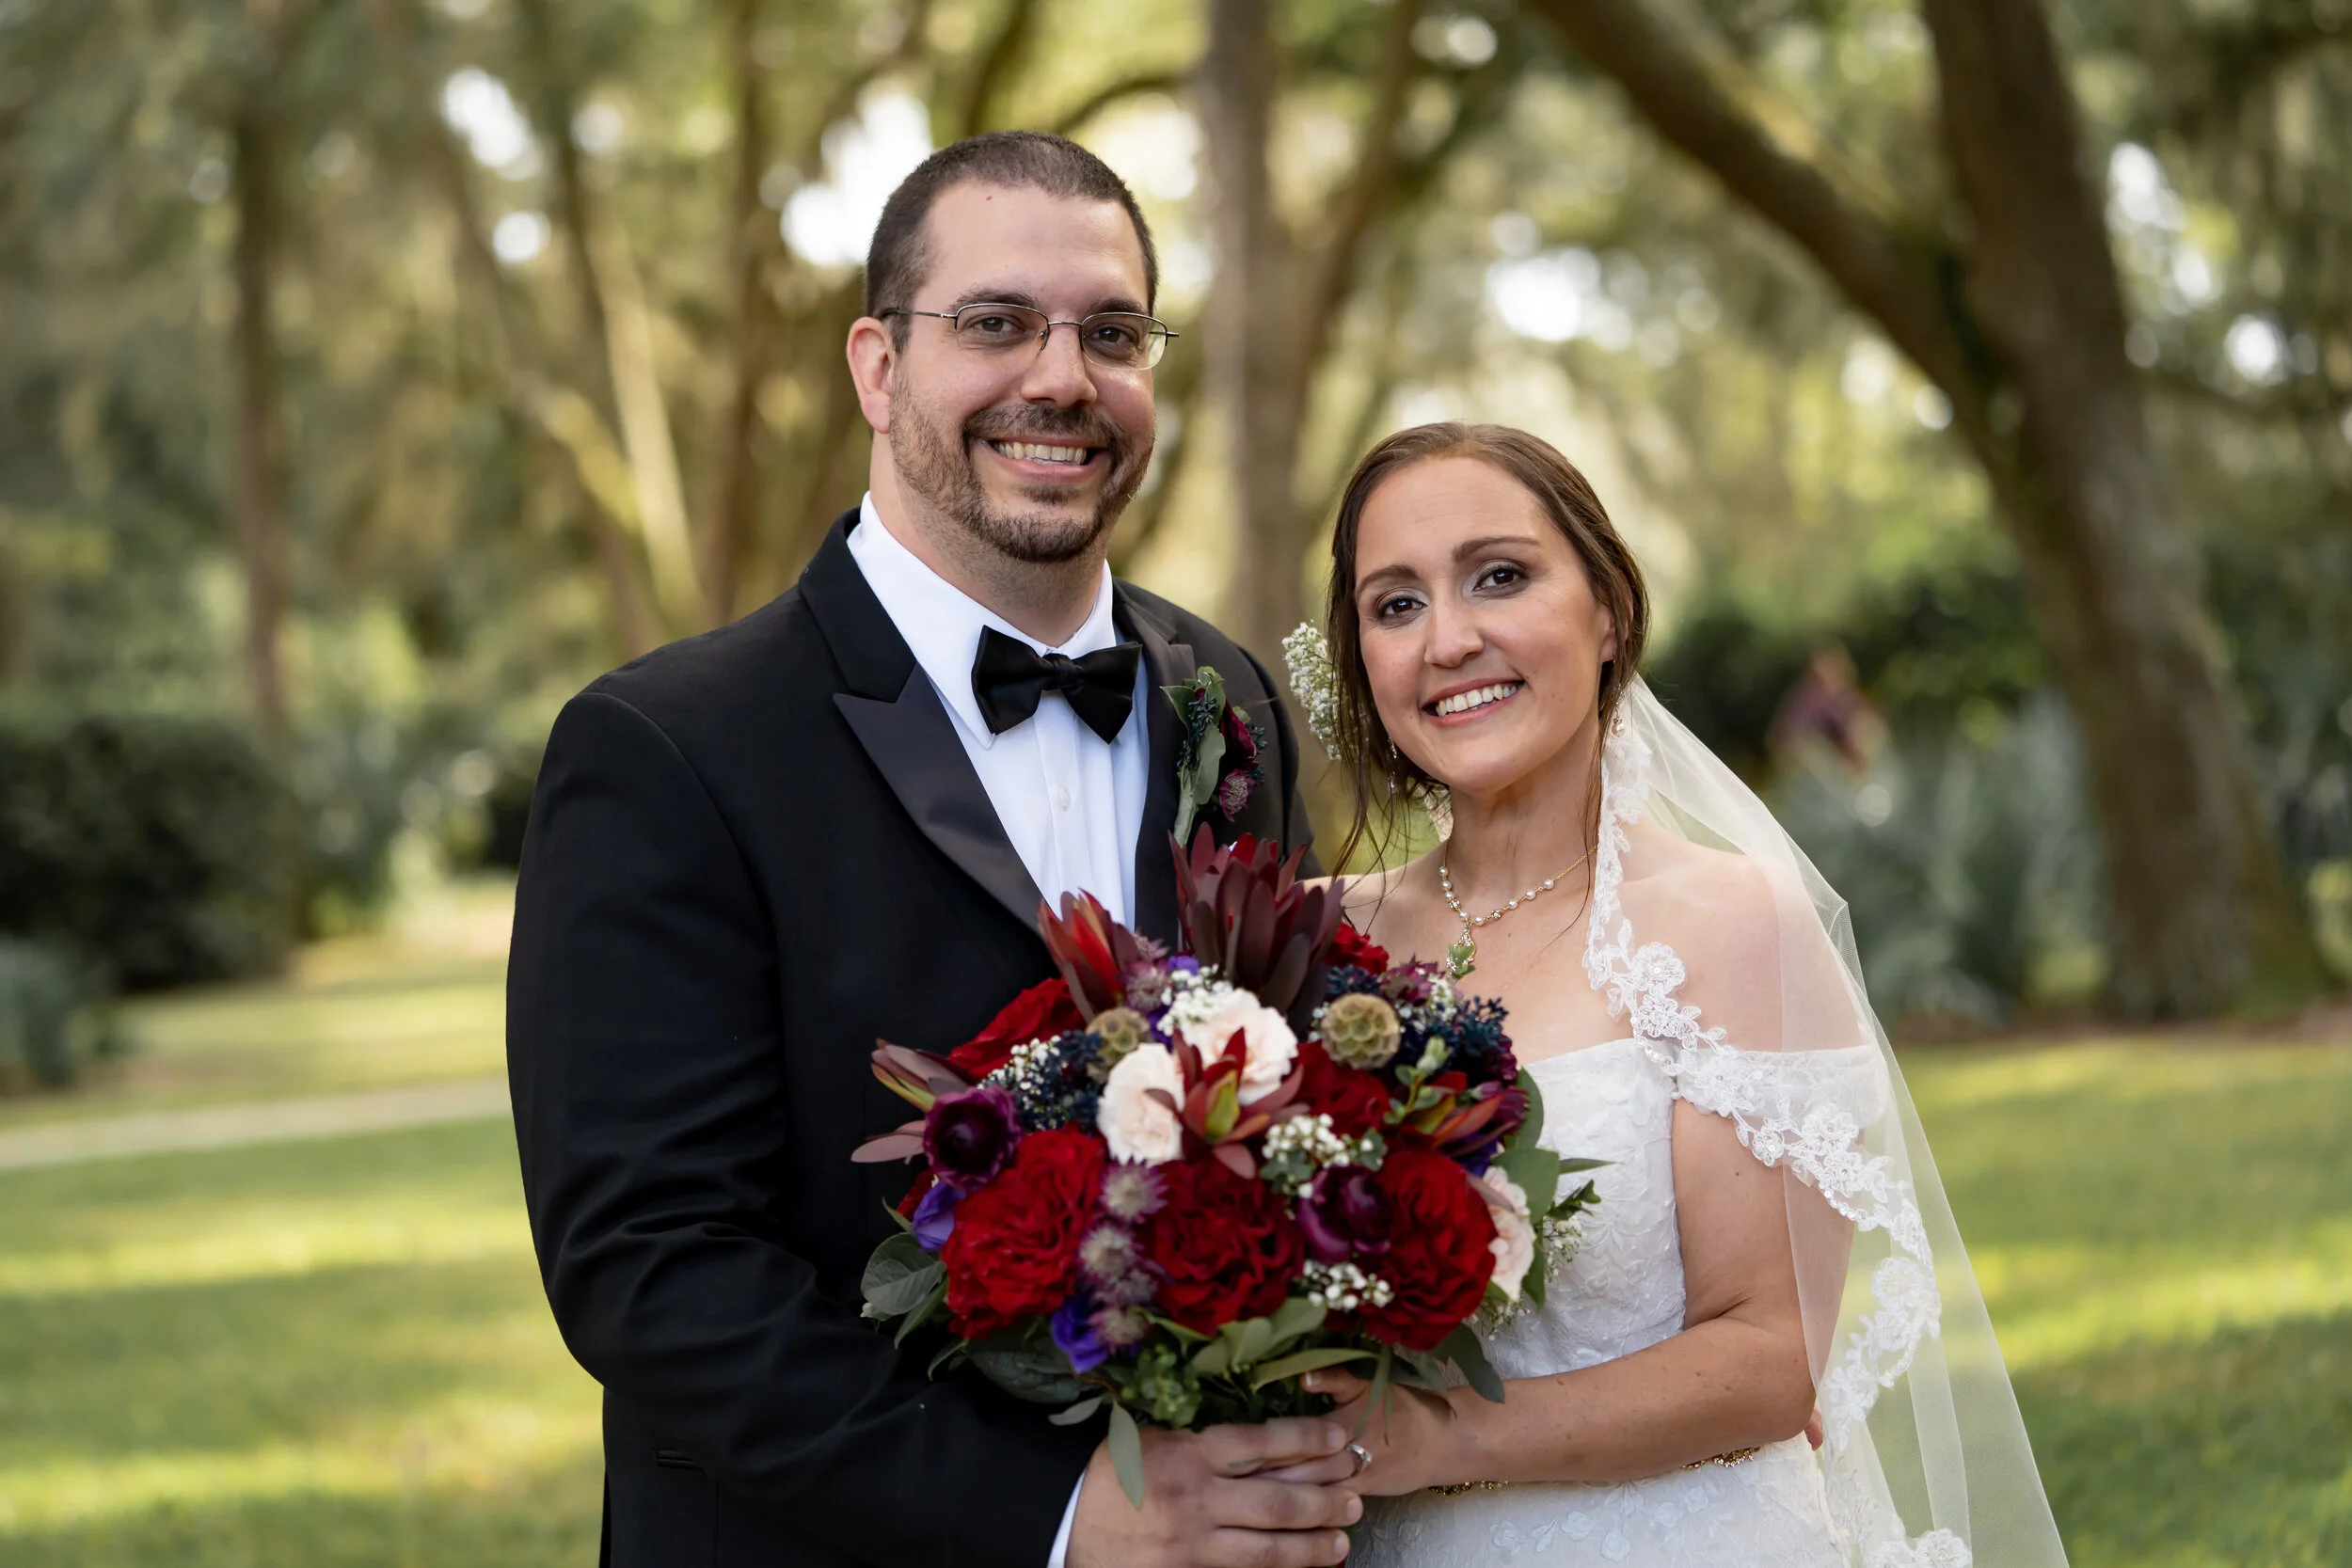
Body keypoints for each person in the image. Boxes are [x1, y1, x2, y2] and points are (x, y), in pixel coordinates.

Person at [506, 132, 1360, 1568]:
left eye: (1112, 331)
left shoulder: (1235, 702)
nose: (1061, 377)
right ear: (878, 368)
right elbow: (652, 1268)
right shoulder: (665, 749)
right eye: (996, 323)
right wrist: (1066, 1518)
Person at [1283, 423, 2069, 1567]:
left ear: (1606, 611)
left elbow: (1766, 1354)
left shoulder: (1726, 921)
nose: (1447, 638)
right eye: (1393, 604)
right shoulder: (1309, 939)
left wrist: (1422, 1438)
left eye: (1497, 576)